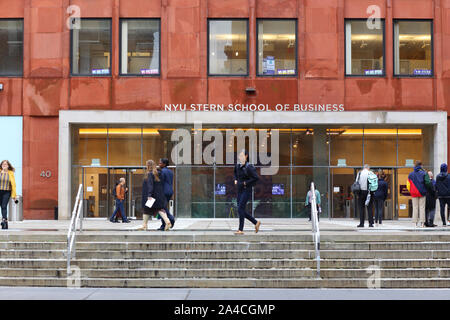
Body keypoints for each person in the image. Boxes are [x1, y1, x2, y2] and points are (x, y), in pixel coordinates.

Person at [233, 149, 261, 235]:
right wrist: (235, 179)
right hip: (240, 190)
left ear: (246, 156)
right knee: (240, 209)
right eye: (239, 156)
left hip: (246, 190)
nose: (240, 157)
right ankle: (256, 222)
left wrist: (246, 183)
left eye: (242, 156)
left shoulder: (249, 167)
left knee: (240, 208)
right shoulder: (237, 166)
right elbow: (235, 173)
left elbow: (256, 177)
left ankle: (240, 229)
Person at [139, 160, 171, 231]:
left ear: (148, 165)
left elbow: (150, 186)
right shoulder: (159, 173)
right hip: (159, 195)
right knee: (159, 208)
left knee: (146, 209)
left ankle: (144, 225)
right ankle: (167, 221)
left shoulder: (150, 174)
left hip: (152, 196)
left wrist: (149, 195)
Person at [407, 160, 431, 228]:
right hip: (422, 192)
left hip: (414, 193)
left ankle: (415, 223)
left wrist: (411, 190)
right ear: (421, 165)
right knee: (422, 207)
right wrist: (427, 189)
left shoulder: (410, 174)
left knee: (415, 207)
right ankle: (422, 223)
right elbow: (428, 183)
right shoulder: (424, 173)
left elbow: (408, 184)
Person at [157, 158, 175, 231]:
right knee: (163, 207)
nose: (159, 164)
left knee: (162, 208)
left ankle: (171, 219)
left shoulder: (162, 171)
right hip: (169, 191)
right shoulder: (170, 172)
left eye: (160, 163)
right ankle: (164, 224)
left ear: (164, 164)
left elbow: (160, 182)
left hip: (163, 192)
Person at [0, 160, 17, 230]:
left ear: (8, 166)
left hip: (7, 192)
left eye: (5, 164)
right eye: (3, 164)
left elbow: (13, 185)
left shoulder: (11, 173)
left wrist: (14, 195)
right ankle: (3, 221)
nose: (4, 165)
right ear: (1, 165)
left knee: (4, 206)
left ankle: (4, 221)